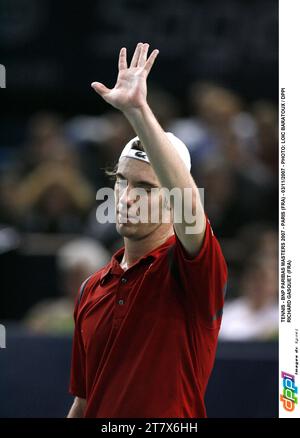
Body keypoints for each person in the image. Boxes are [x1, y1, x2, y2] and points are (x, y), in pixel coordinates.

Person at [67, 43, 227, 418]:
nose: (127, 196)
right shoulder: (92, 288)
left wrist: (138, 111)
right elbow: (85, 401)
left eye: (146, 187)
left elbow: (188, 204)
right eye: (122, 182)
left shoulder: (192, 272)